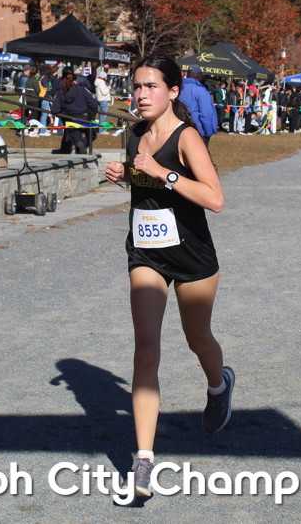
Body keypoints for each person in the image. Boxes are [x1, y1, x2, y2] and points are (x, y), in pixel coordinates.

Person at [104, 53, 232, 498]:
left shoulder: (186, 137)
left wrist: (163, 172)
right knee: (146, 347)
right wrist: (125, 174)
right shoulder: (134, 134)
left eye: (151, 86)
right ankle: (143, 459)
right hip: (146, 254)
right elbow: (144, 184)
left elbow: (215, 198)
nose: (141, 95)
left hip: (192, 257)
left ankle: (218, 385)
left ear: (173, 91)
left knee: (198, 339)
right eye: (137, 86)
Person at [52, 70, 98, 154]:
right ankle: (80, 144)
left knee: (73, 133)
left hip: (69, 118)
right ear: (75, 81)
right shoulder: (82, 90)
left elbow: (55, 109)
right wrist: (91, 116)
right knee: (92, 134)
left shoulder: (60, 93)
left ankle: (77, 145)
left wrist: (63, 116)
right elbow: (94, 104)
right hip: (84, 117)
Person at [178, 65, 219, 147]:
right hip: (198, 131)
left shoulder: (178, 89)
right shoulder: (200, 90)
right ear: (198, 76)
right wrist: (208, 133)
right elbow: (206, 114)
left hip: (179, 130)